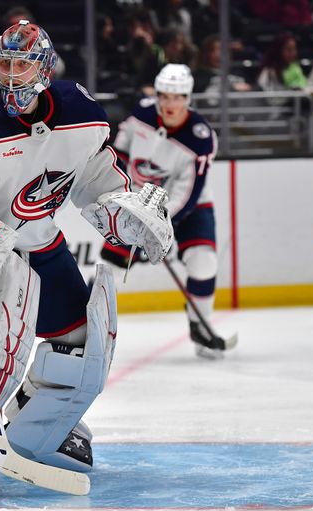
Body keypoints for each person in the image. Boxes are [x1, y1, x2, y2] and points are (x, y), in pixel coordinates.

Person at [0, 20, 173, 495]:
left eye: (22, 64)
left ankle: (35, 422)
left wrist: (126, 217)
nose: (11, 75)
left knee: (80, 339)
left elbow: (98, 181)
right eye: (4, 63)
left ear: (45, 68)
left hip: (41, 241)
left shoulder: (81, 113)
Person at [101, 63, 225, 361]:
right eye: (165, 96)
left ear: (188, 98)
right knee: (109, 268)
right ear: (156, 95)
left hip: (189, 209)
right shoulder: (142, 114)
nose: (170, 104)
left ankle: (200, 324)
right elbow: (120, 154)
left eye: (178, 97)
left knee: (203, 263)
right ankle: (93, 327)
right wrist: (124, 199)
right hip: (138, 203)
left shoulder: (201, 137)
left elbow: (188, 193)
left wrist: (159, 228)